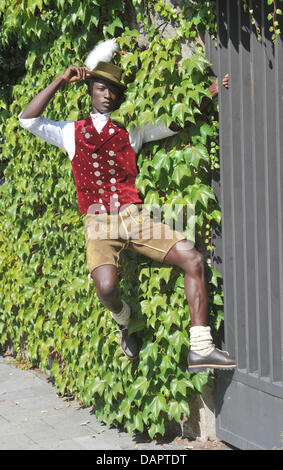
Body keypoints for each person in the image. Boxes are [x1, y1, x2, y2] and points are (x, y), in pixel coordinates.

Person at [19, 40, 236, 373]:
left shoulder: (131, 130)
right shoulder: (70, 133)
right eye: (101, 88)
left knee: (193, 259)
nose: (107, 95)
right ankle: (123, 319)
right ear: (90, 90)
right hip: (97, 223)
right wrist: (60, 80)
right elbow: (27, 120)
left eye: (113, 91)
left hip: (134, 217)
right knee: (106, 287)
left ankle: (201, 348)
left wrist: (208, 93)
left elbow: (175, 122)